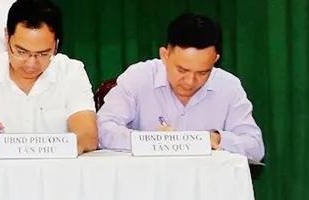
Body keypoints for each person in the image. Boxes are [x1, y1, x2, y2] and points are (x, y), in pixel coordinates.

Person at [97, 13, 264, 161]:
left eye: (203, 72)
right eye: (182, 70)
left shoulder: (228, 87)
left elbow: (255, 147)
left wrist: (217, 139)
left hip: (206, 183)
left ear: (215, 60)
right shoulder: (138, 77)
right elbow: (102, 129)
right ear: (165, 55)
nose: (190, 81)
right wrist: (149, 141)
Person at [0, 0, 98, 154]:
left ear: (56, 45)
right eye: (21, 52)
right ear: (7, 36)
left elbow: (87, 135)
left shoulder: (71, 72)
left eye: (43, 54)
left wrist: (67, 147)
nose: (31, 63)